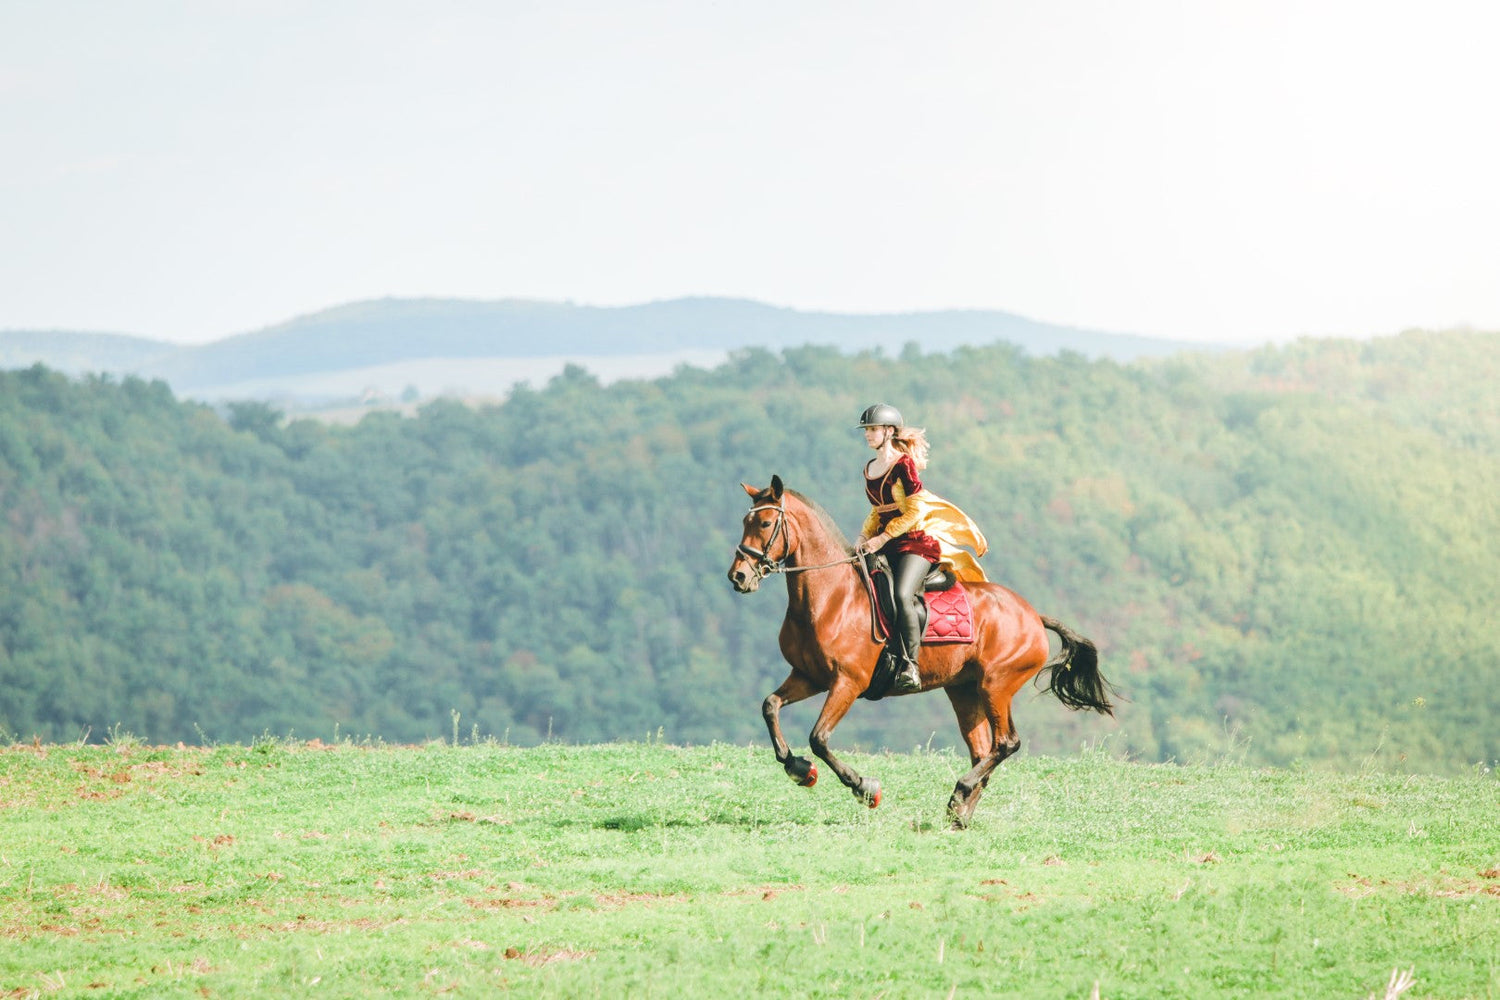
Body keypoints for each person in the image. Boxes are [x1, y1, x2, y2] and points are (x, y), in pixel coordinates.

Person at [854, 403, 988, 693]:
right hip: (887, 543)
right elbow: (878, 510)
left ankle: (910, 665)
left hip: (915, 543)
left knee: (902, 594)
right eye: (866, 430)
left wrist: (882, 537)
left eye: (873, 429)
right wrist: (864, 537)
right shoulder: (870, 468)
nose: (867, 435)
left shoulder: (903, 465)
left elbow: (915, 511)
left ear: (889, 432)